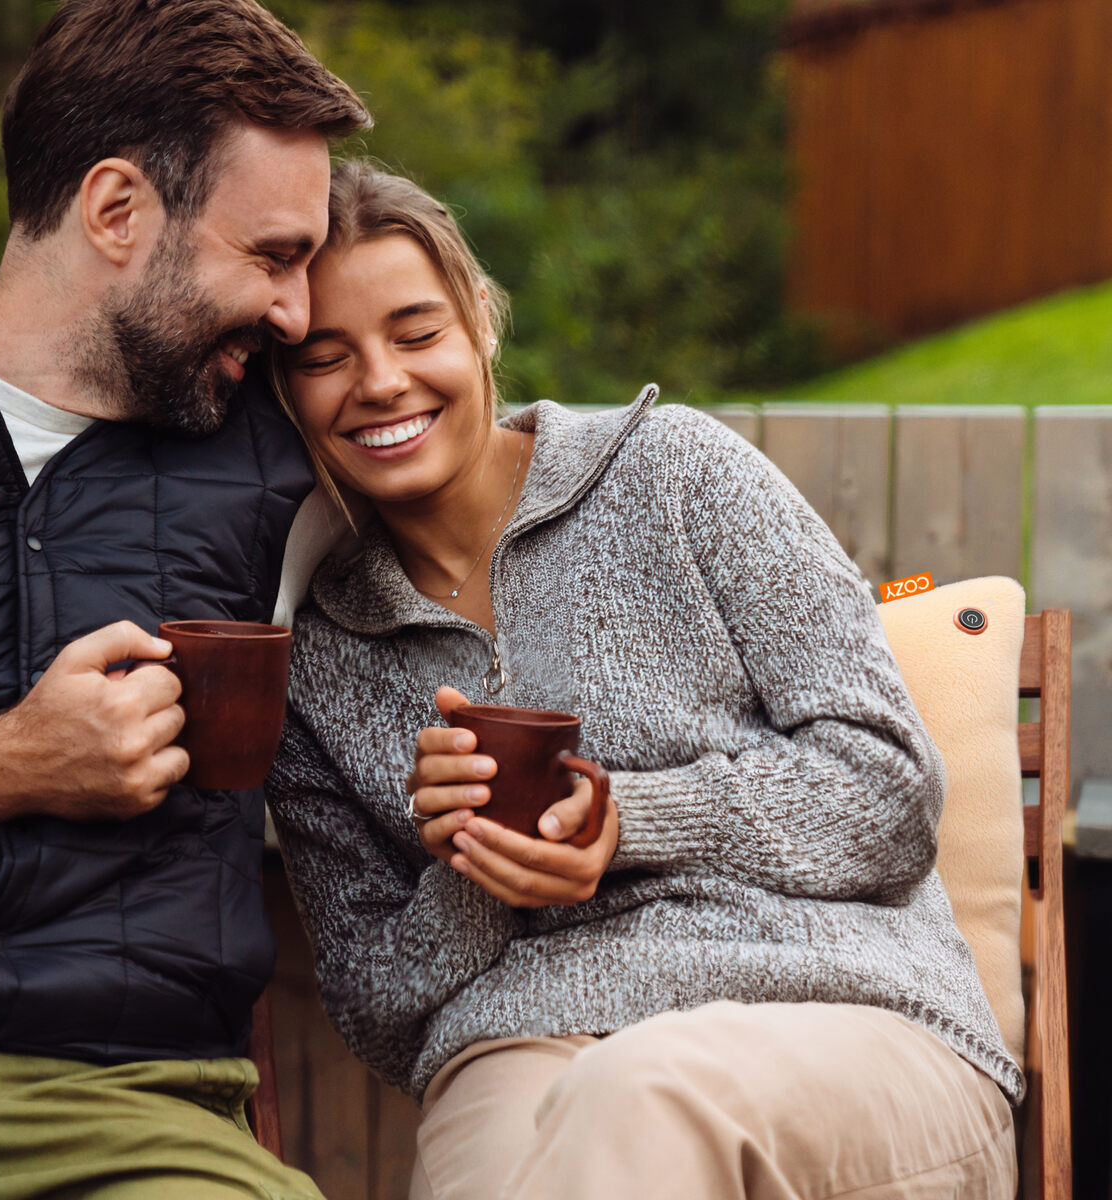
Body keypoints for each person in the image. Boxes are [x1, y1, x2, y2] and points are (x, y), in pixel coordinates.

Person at [266, 161, 1023, 1200]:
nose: (381, 381)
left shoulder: (677, 472)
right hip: (519, 1041)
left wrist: (628, 819)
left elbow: (889, 791)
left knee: (639, 1095)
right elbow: (373, 1003)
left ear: (480, 322)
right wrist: (483, 867)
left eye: (415, 332)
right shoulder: (313, 657)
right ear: (284, 391)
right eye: (324, 357)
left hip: (838, 1013)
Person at [0, 3, 369, 1197]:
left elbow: (515, 491)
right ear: (116, 211)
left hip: (122, 1121)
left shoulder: (286, 459)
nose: (297, 313)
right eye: (271, 256)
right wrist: (6, 762)